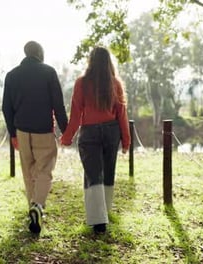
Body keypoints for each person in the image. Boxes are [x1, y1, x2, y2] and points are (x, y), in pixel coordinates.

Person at [60, 46, 130, 234]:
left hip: (89, 133)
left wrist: (67, 137)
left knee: (93, 174)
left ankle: (100, 221)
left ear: (90, 61)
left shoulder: (81, 83)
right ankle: (104, 212)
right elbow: (122, 115)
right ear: (109, 62)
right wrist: (126, 140)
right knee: (107, 172)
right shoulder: (115, 83)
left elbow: (76, 114)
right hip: (111, 132)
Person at [2, 40, 68, 234]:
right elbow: (58, 105)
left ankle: (32, 209)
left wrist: (13, 134)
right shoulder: (48, 72)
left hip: (21, 131)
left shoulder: (11, 75)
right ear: (40, 53)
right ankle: (37, 206)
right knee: (44, 170)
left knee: (29, 172)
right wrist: (66, 130)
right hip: (43, 131)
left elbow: (6, 108)